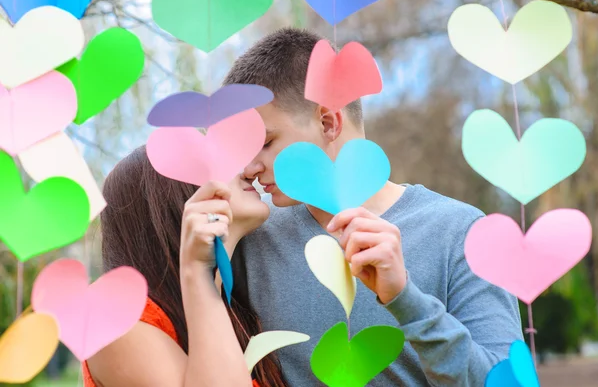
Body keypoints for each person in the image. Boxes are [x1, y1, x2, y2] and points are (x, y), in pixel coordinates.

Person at [224, 28, 524, 386]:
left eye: (266, 142)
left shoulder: (462, 232)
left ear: (328, 122)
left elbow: (509, 382)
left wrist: (404, 298)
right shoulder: (252, 238)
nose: (249, 167)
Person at [82, 146, 290, 387]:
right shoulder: (113, 316)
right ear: (171, 195)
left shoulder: (238, 308)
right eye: (219, 161)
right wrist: (198, 271)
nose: (248, 170)